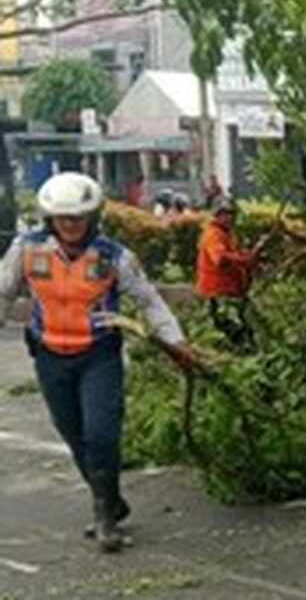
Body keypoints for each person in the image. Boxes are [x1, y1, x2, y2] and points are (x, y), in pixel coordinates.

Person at [0, 172, 199, 553]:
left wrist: (176, 344)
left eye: (77, 218)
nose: (70, 226)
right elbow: (3, 292)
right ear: (50, 219)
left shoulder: (115, 258)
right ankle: (111, 499)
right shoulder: (27, 251)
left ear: (92, 217)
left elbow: (150, 301)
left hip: (99, 355)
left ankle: (105, 517)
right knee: (73, 434)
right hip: (49, 355)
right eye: (62, 218)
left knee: (102, 434)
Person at [195, 197, 257, 348]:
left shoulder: (227, 234)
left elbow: (234, 255)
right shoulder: (213, 234)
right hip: (219, 293)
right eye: (225, 213)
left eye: (231, 213)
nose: (229, 217)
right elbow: (220, 258)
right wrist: (244, 260)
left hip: (232, 291)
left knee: (246, 327)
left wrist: (248, 258)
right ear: (217, 215)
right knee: (234, 331)